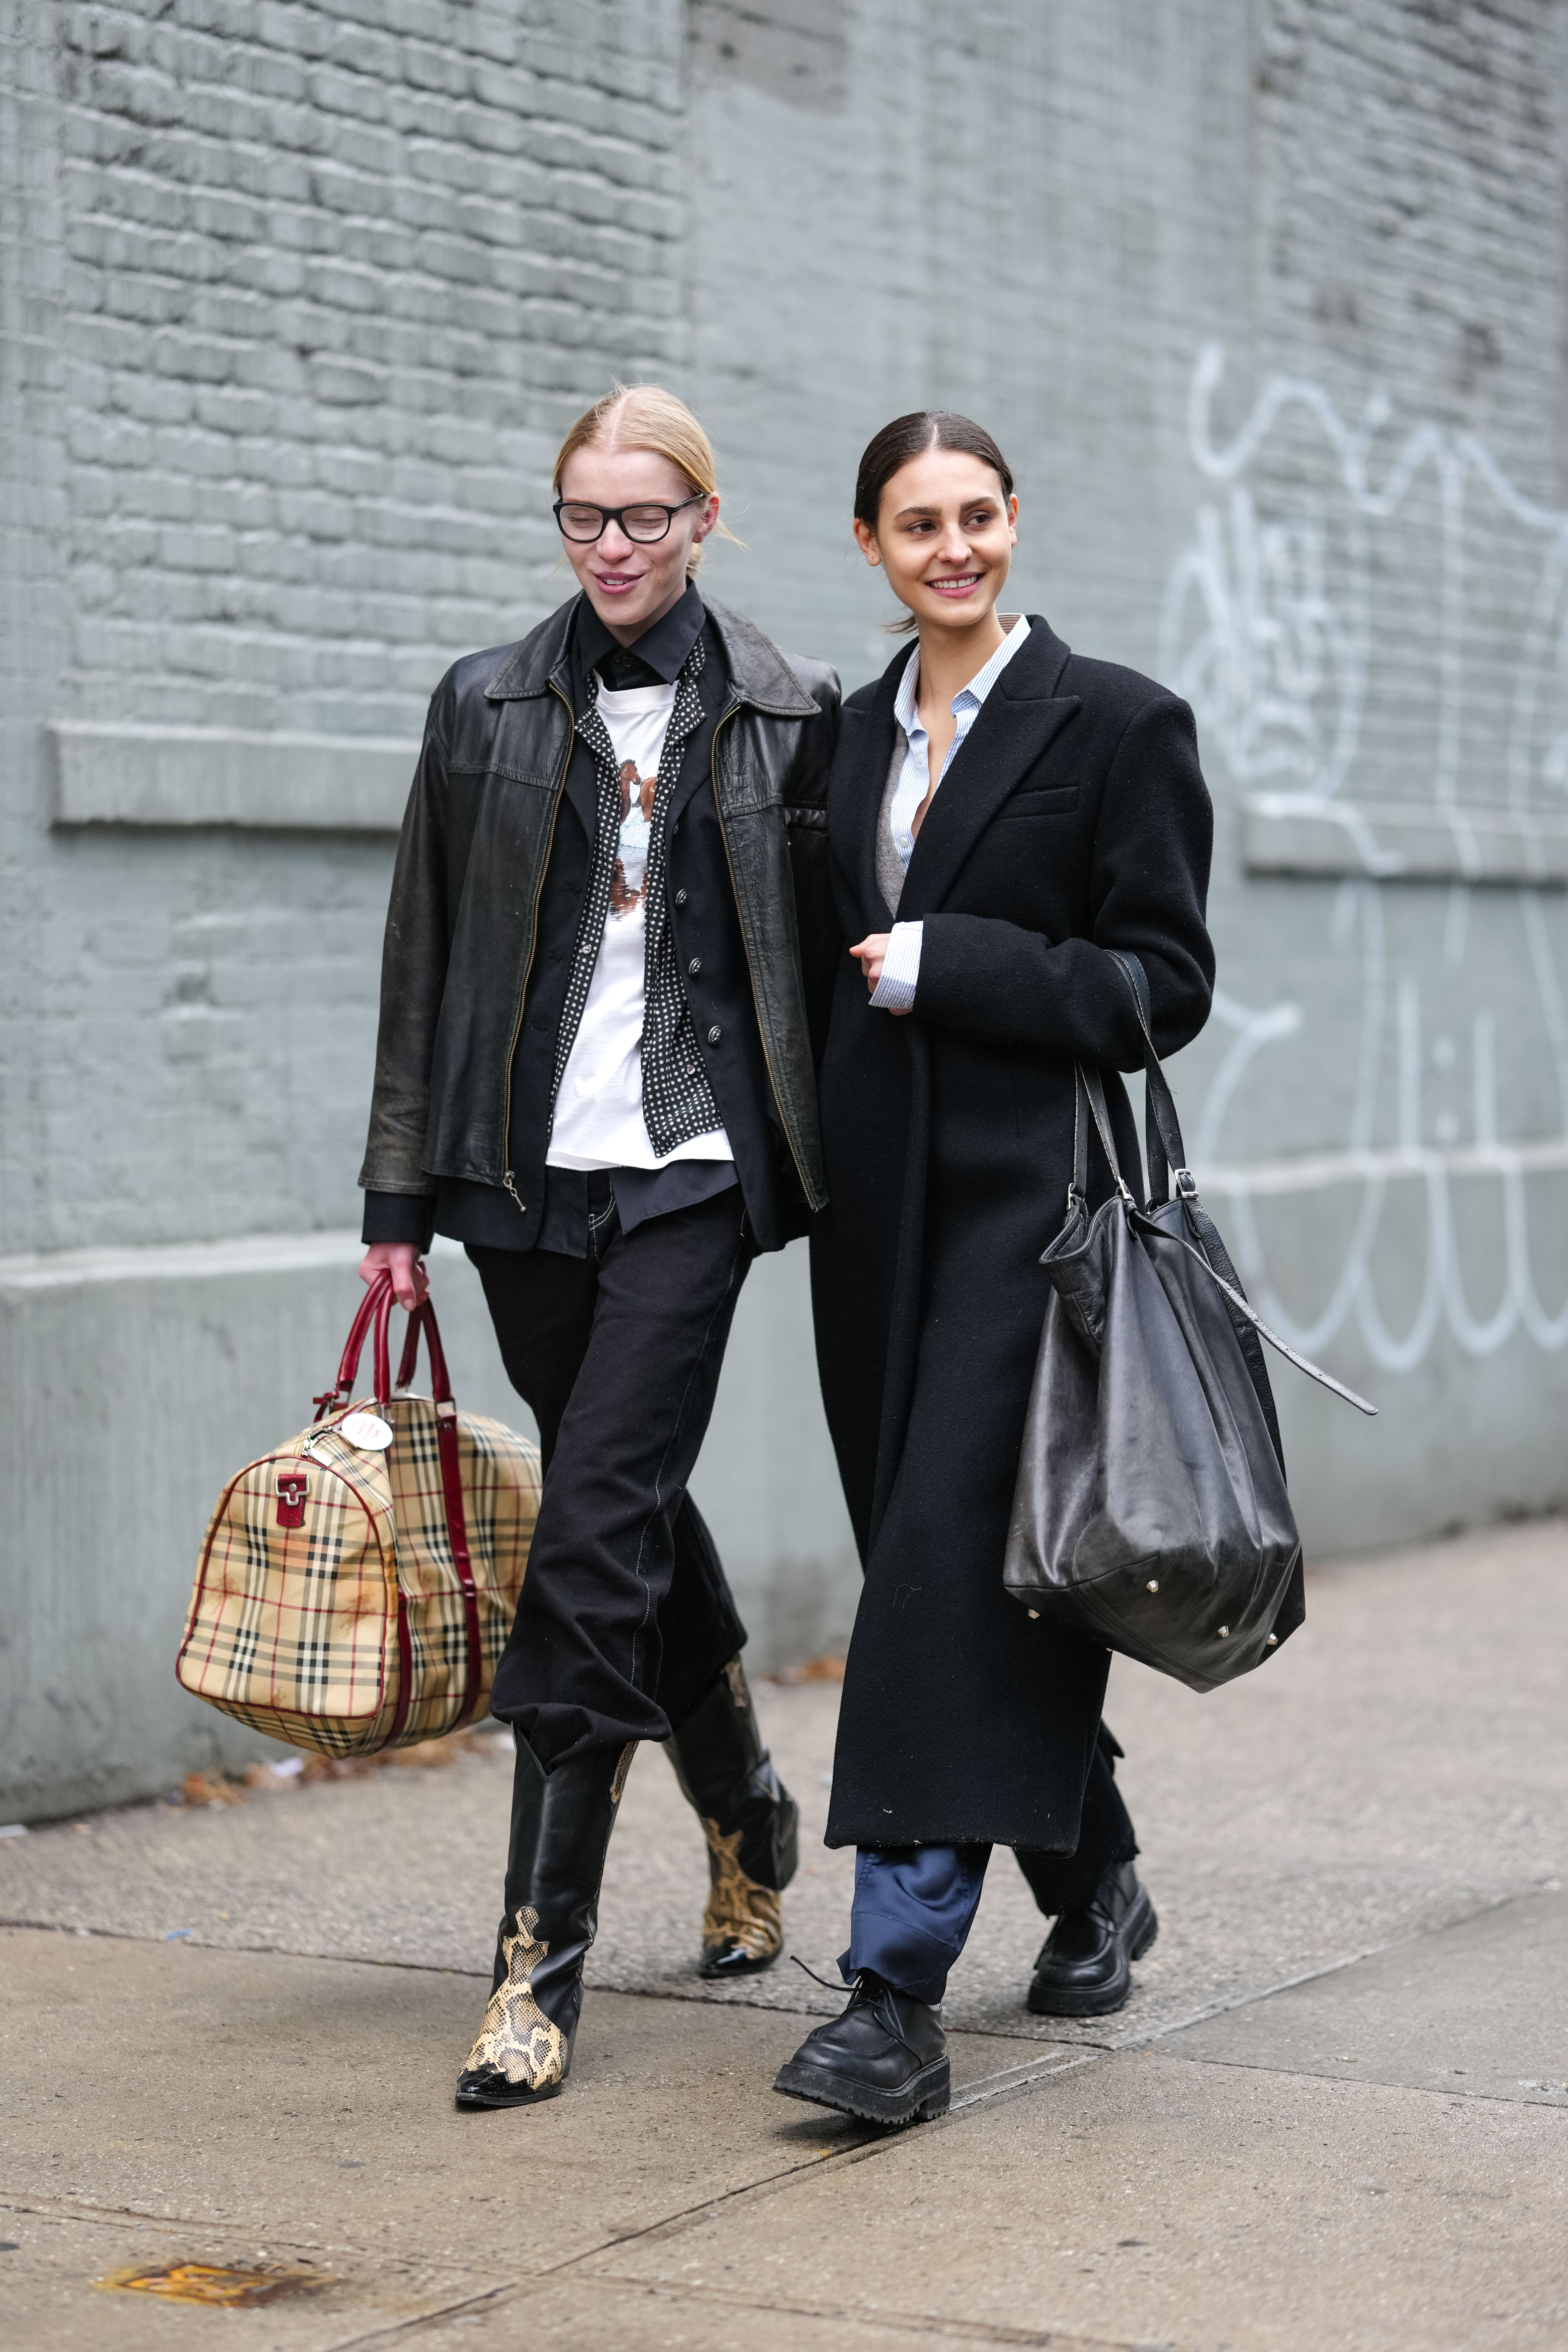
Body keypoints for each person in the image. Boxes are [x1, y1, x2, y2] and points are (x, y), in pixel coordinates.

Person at [357, 385, 841, 2109]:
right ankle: (745, 1807)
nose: (614, 548)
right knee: (619, 1496)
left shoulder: (792, 710)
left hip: (694, 1174)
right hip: (523, 1177)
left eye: (646, 517)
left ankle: (534, 1964)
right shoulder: (485, 700)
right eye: (585, 517)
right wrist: (396, 1213)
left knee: (588, 1535)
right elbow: (422, 957)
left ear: (705, 519)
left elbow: (829, 964)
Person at [775, 411, 1215, 2127]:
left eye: (977, 516)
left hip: (1032, 1219)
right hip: (876, 1218)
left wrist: (961, 961)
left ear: (1016, 522)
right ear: (871, 546)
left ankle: (892, 1997)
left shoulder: (1115, 723)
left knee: (939, 1583)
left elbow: (1158, 985)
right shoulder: (842, 737)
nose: (951, 548)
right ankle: (1095, 1874)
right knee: (957, 1571)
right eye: (915, 524)